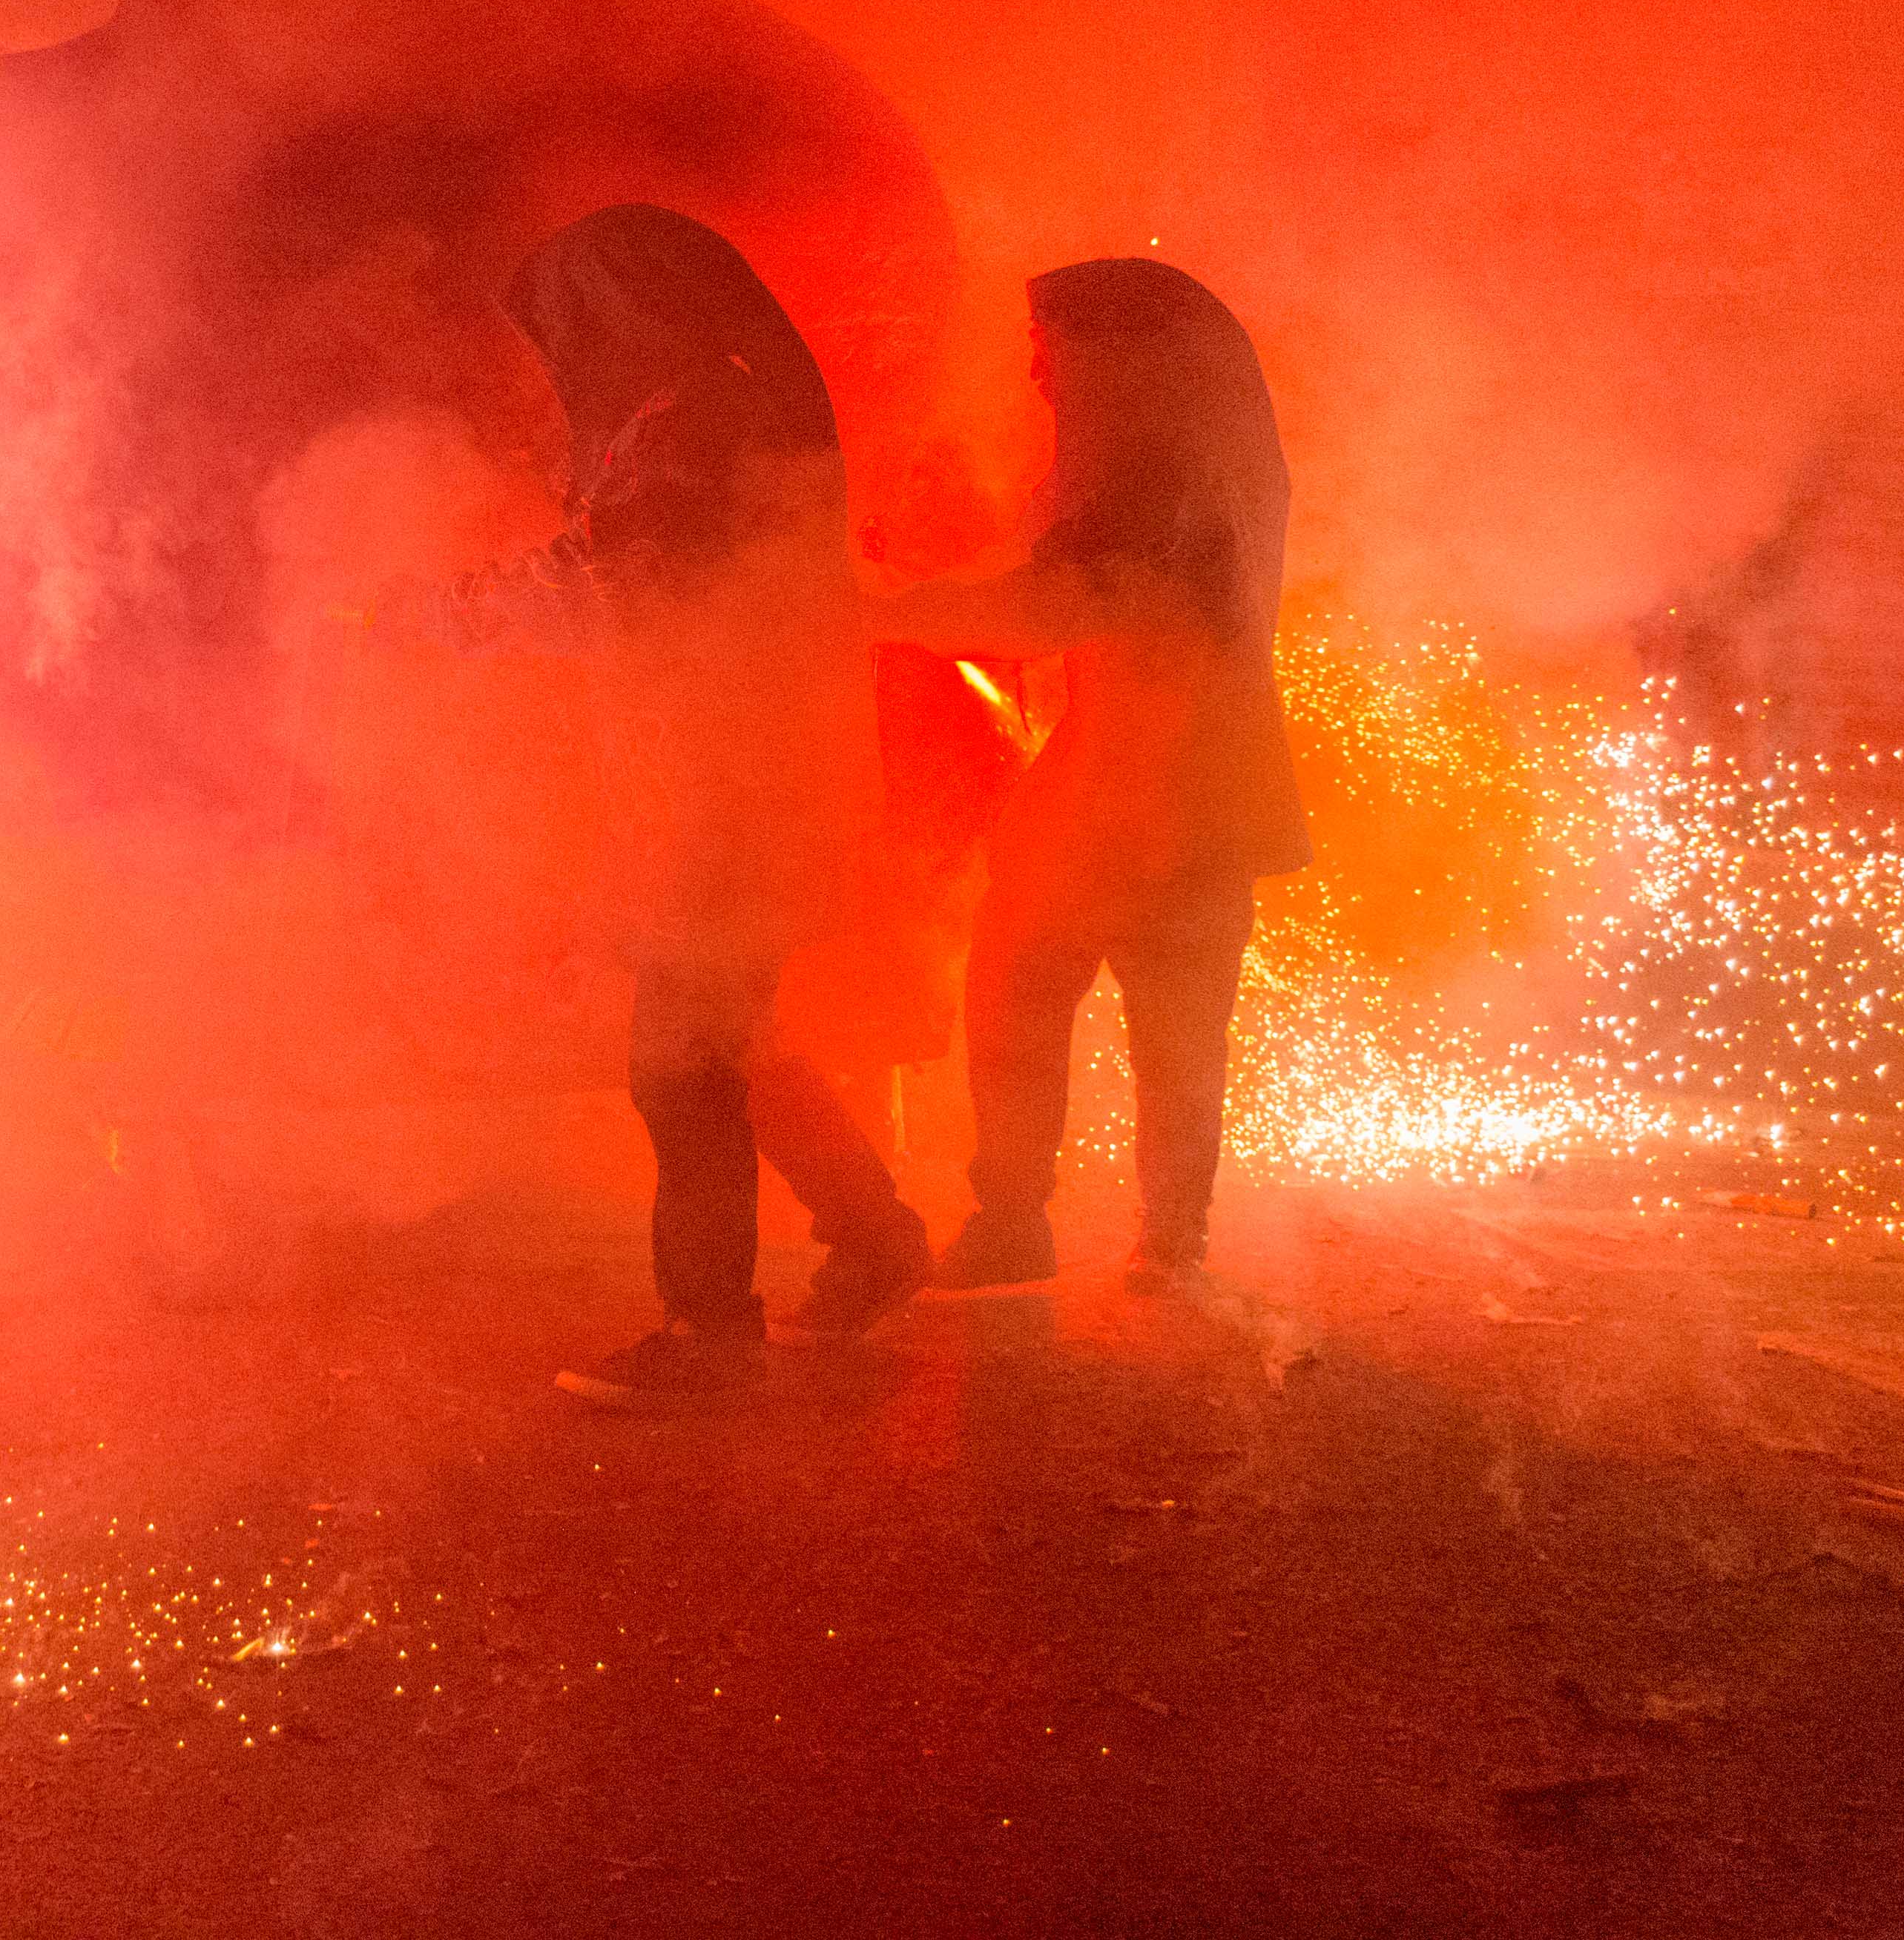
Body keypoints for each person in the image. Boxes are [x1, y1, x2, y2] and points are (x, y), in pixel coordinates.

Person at [412, 204, 932, 1408]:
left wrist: (436, 618)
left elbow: (611, 585)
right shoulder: (718, 408)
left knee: (679, 1063)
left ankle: (710, 1335)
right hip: (742, 785)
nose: (557, 361)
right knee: (731, 1038)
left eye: (570, 327)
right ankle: (875, 1236)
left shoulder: (694, 423)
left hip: (727, 801)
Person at [862, 259, 1308, 1292]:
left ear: (1115, 358)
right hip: (1152, 785)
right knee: (1105, 1016)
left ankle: (1086, 1236)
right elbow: (1023, 561)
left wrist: (883, 614)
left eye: (1049, 348)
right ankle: (1143, 1246)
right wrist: (919, 572)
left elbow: (1052, 603)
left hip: (1164, 792)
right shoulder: (1166, 458)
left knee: (1104, 1013)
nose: (1036, 374)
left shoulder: (1159, 474)